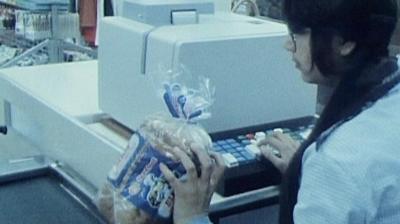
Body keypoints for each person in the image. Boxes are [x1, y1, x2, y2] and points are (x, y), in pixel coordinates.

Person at [160, 0, 400, 223]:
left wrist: (193, 216)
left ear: (345, 42)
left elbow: (346, 172)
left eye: (297, 34)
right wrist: (305, 169)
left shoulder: (336, 161)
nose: (287, 45)